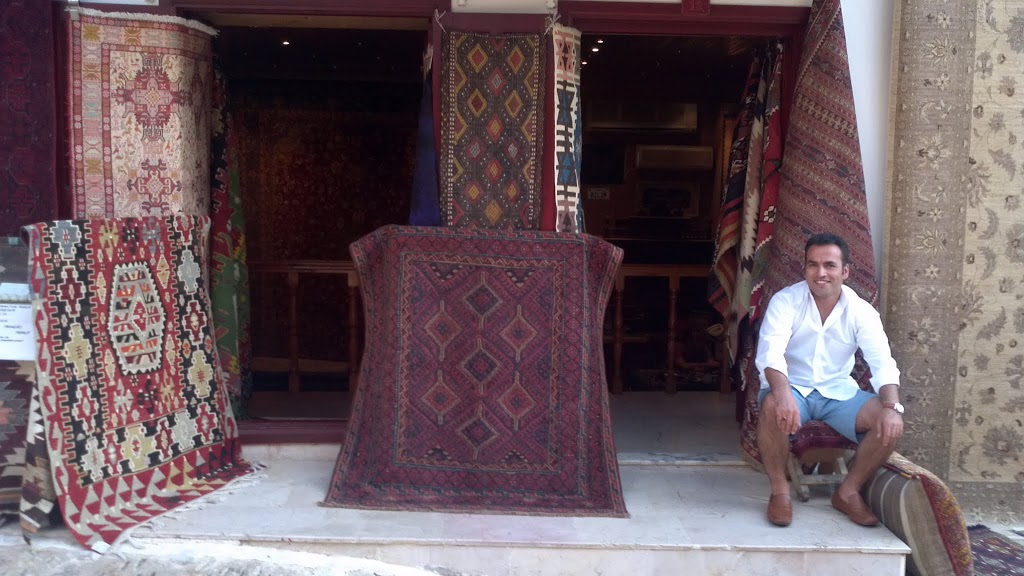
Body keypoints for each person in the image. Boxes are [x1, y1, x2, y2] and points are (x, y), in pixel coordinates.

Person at [755, 233, 903, 527]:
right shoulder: (786, 301)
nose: (821, 273)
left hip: (838, 393)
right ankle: (780, 491)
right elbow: (770, 354)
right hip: (792, 387)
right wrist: (783, 395)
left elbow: (882, 361)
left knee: (889, 421)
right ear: (805, 269)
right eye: (813, 265)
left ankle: (848, 492)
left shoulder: (861, 311)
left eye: (830, 265)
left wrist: (892, 406)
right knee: (773, 404)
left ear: (845, 271)